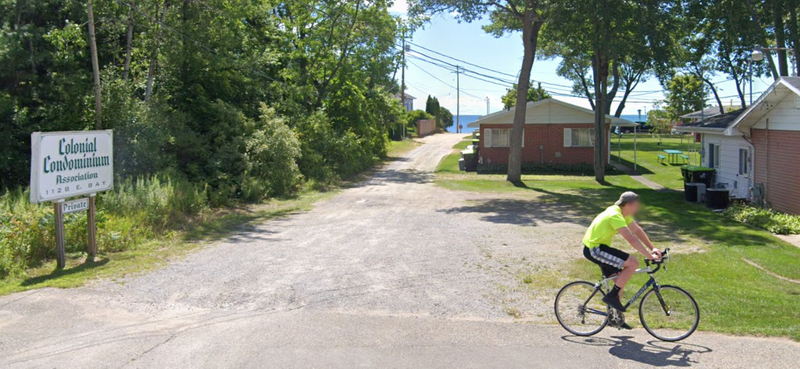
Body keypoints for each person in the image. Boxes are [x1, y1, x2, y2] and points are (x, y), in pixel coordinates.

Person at [582, 191, 661, 322]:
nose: (638, 208)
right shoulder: (615, 215)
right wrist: (649, 256)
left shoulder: (622, 213)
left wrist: (653, 248)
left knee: (619, 282)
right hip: (594, 249)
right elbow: (631, 239)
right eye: (636, 205)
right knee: (633, 263)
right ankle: (612, 297)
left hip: (600, 247)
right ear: (629, 204)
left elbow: (637, 230)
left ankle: (614, 318)